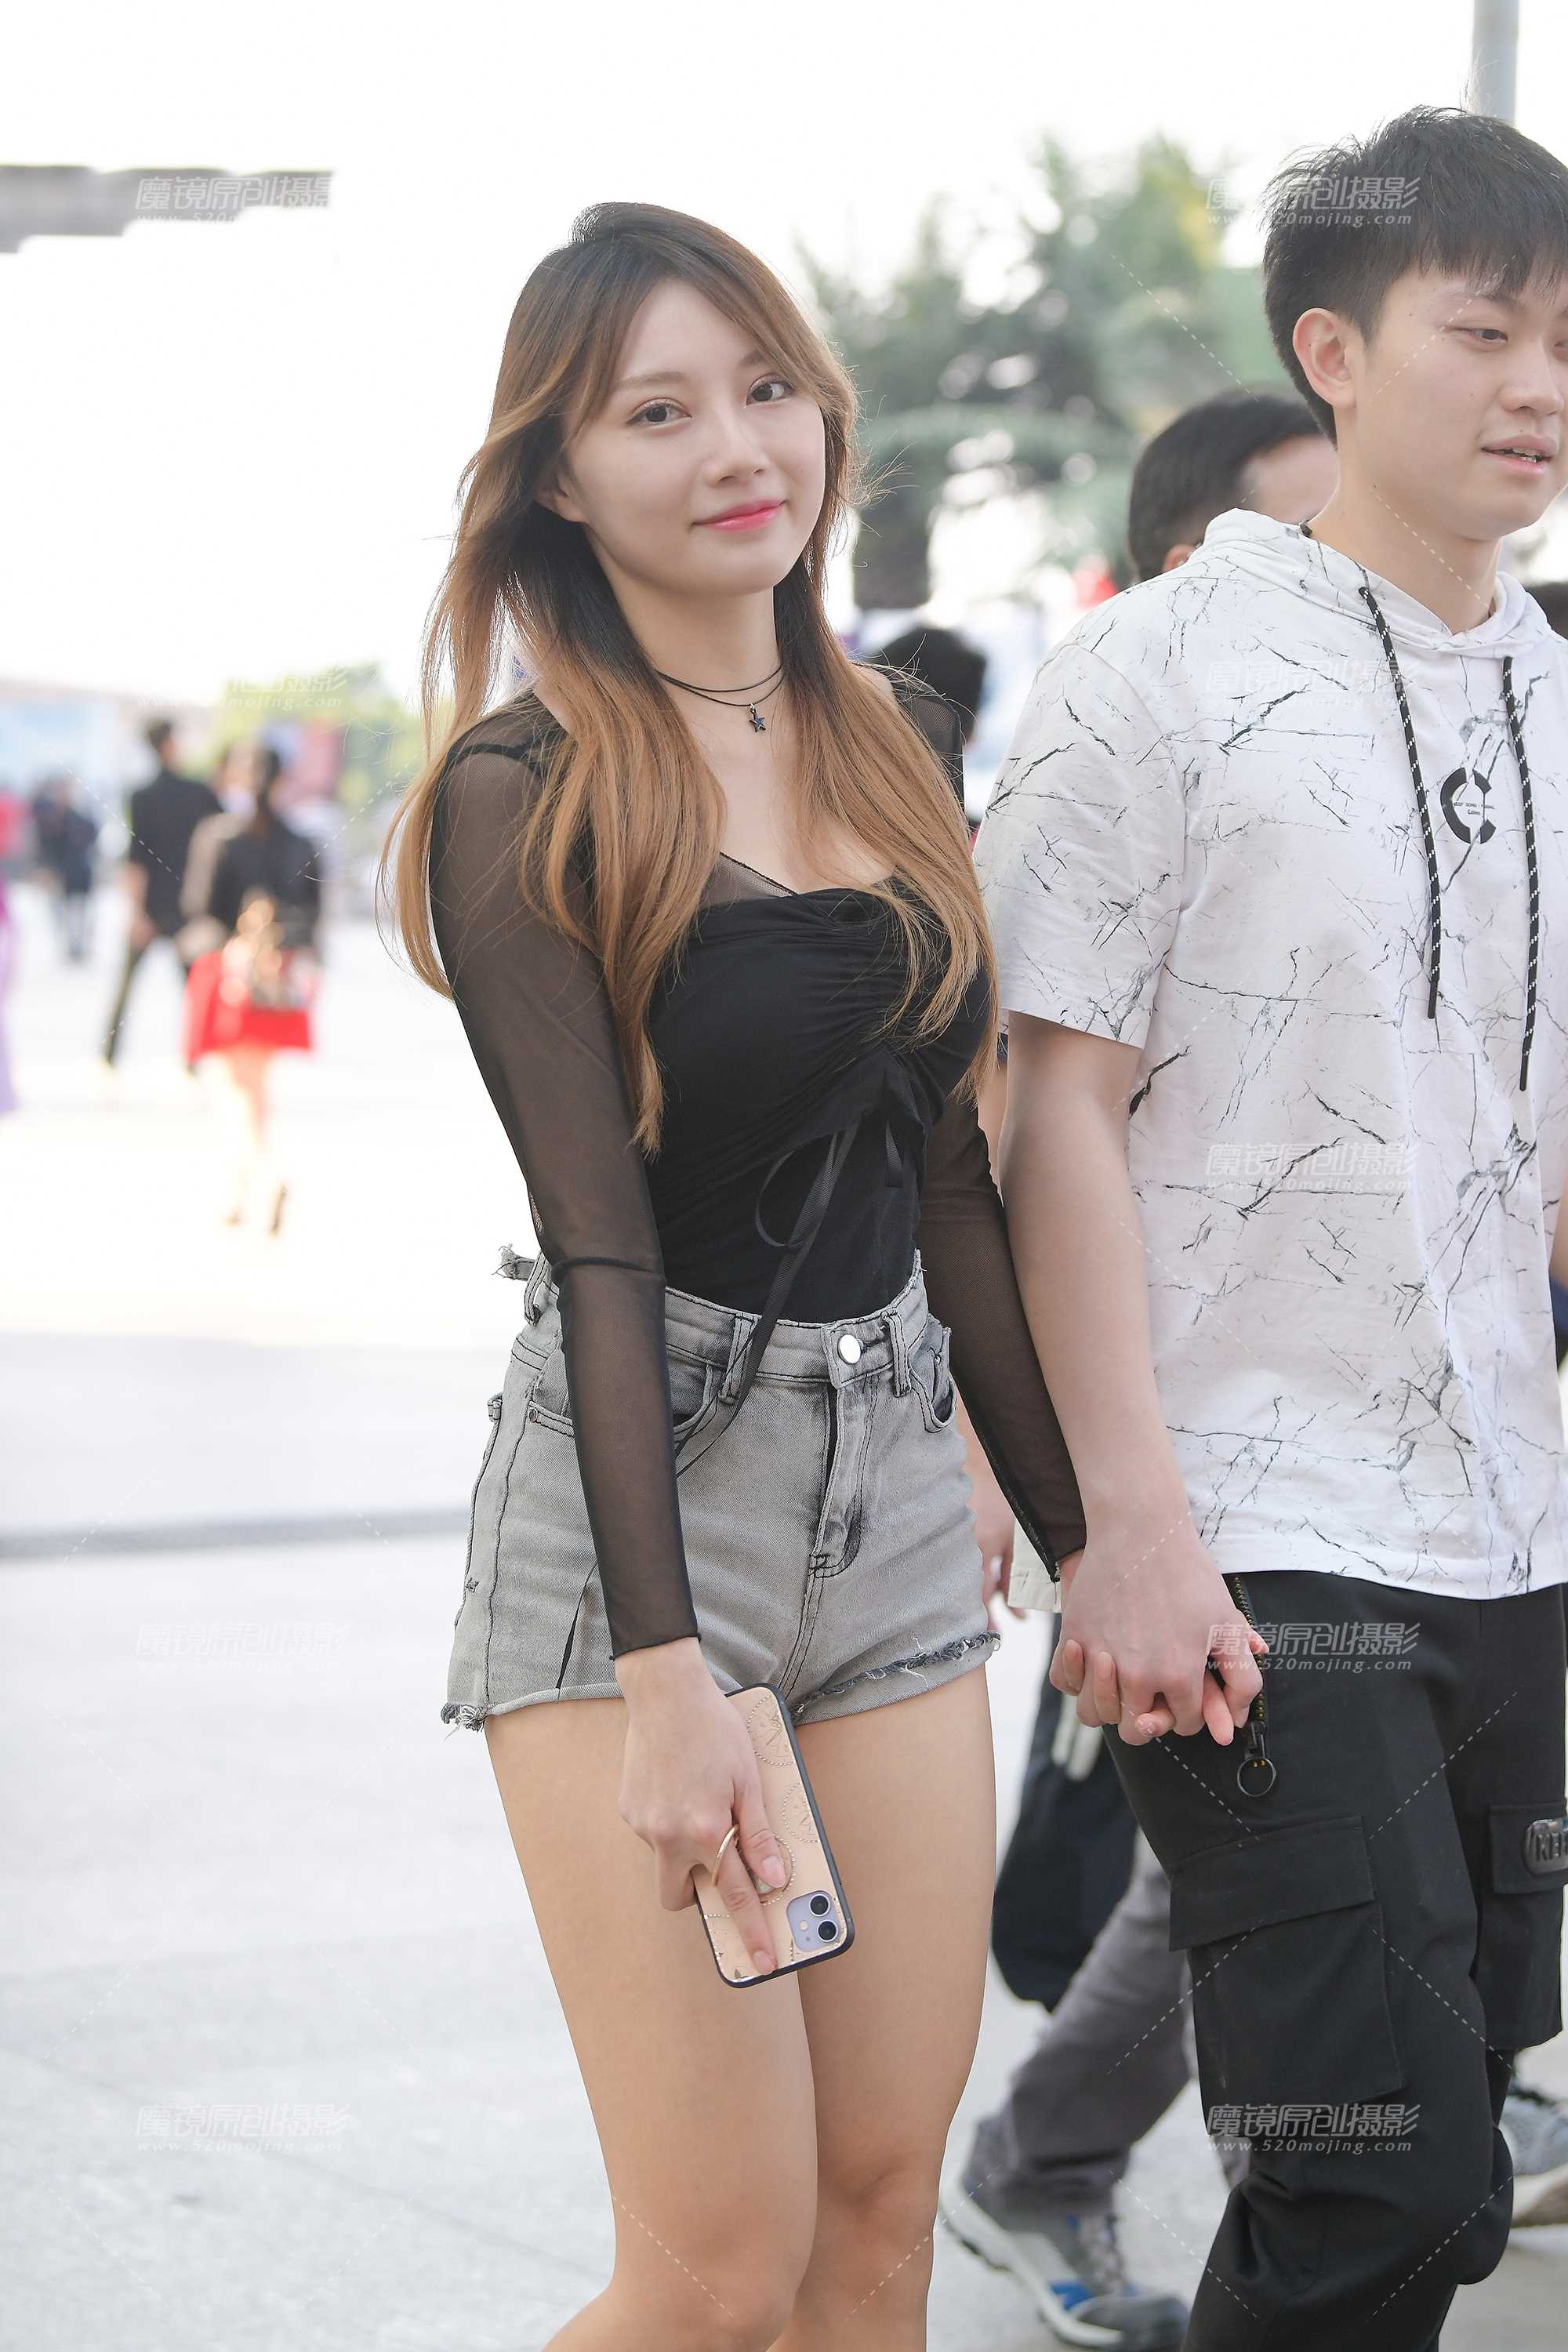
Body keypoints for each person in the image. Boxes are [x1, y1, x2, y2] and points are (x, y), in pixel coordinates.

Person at [380, 201, 1089, 2351]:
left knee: (871, 2228)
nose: (734, 447)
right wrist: (666, 1673)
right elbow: (597, 1246)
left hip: (891, 1510)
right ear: (556, 478)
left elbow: (950, 1182)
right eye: (657, 412)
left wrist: (1089, 1554)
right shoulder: (523, 796)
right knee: (710, 2278)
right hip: (642, 1518)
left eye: (764, 386)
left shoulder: (900, 733)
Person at [974, 104, 1568, 2348]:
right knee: (1370, 2181)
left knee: (1439, 2190)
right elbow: (1049, 1109)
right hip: (1246, 1520)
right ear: (1331, 349)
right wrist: (1119, 1527)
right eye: (1483, 331)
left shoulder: (1555, 689)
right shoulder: (1155, 669)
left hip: (1505, 1519)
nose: (1537, 387)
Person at [943, 387, 1338, 2348]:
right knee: (1254, 1845)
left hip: (1374, 1420)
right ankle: (1056, 2155)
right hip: (1182, 1438)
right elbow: (997, 1134)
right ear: (1198, 569)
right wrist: (1033, 1481)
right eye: (1309, 543)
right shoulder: (1110, 753)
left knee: (1329, 1844)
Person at [180, 743, 321, 1233]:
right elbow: (312, 918)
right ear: (282, 781)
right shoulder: (301, 841)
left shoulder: (217, 836)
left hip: (229, 978)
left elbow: (199, 906)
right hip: (279, 981)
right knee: (254, 1088)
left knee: (233, 1090)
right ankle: (238, 1192)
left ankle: (264, 1172)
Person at [102, 718, 223, 1072]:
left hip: (153, 906)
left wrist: (137, 913)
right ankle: (195, 1061)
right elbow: (224, 844)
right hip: (189, 908)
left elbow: (136, 861)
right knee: (194, 990)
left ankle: (109, 1056)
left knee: (129, 986)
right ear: (169, 744)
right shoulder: (200, 793)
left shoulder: (142, 796)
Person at [29, 772, 100, 961]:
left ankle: (78, 947)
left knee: (79, 912)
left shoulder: (81, 816)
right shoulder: (51, 817)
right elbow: (46, 845)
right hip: (60, 874)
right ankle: (67, 946)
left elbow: (91, 837)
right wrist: (45, 869)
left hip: (79, 874)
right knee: (59, 912)